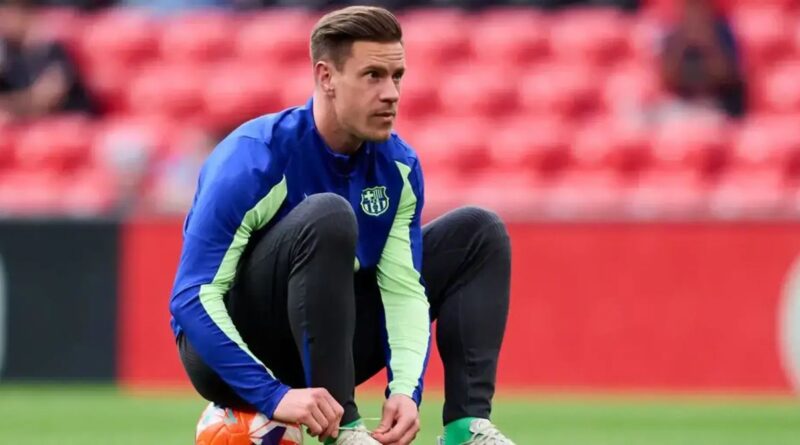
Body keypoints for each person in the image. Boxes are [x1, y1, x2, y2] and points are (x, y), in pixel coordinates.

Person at [169, 6, 513, 445]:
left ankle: (466, 429)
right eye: (373, 76)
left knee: (478, 233)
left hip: (327, 343)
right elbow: (192, 297)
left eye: (397, 76)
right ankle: (346, 429)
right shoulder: (255, 157)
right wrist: (271, 394)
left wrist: (405, 390)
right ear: (326, 77)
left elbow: (403, 288)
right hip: (231, 353)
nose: (391, 94)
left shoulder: (398, 167)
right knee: (329, 215)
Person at [0, 0, 97, 121]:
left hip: (70, 121)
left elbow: (46, 99)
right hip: (33, 124)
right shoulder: (10, 56)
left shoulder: (53, 50)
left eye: (8, 17)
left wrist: (9, 104)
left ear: (26, 16)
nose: (4, 26)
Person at [660, 0, 746, 118]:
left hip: (717, 104)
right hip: (683, 103)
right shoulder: (675, 35)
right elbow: (667, 78)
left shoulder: (723, 33)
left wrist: (708, 44)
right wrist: (682, 45)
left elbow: (727, 76)